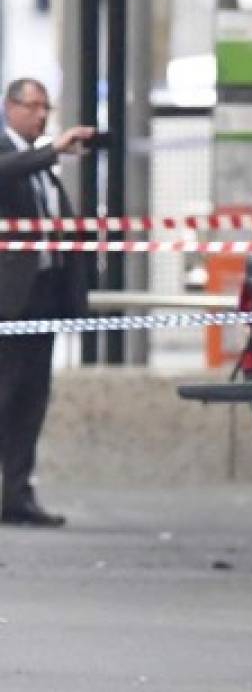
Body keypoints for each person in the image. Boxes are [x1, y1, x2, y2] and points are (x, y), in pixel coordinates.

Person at [0, 78, 94, 527]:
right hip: (6, 303)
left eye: (45, 107)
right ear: (10, 108)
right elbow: (7, 170)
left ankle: (17, 493)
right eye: (32, 107)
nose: (40, 115)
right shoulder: (15, 156)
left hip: (41, 297)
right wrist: (53, 149)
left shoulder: (43, 169)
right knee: (3, 393)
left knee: (31, 398)